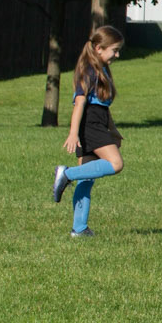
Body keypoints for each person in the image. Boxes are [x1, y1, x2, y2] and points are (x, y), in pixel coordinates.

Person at [52, 25, 126, 237]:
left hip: (97, 122)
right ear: (99, 48)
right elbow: (80, 103)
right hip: (90, 124)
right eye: (114, 50)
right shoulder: (89, 70)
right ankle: (66, 174)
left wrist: (113, 130)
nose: (117, 55)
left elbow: (103, 106)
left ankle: (79, 229)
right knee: (116, 164)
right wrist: (73, 133)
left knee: (86, 179)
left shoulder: (102, 69)